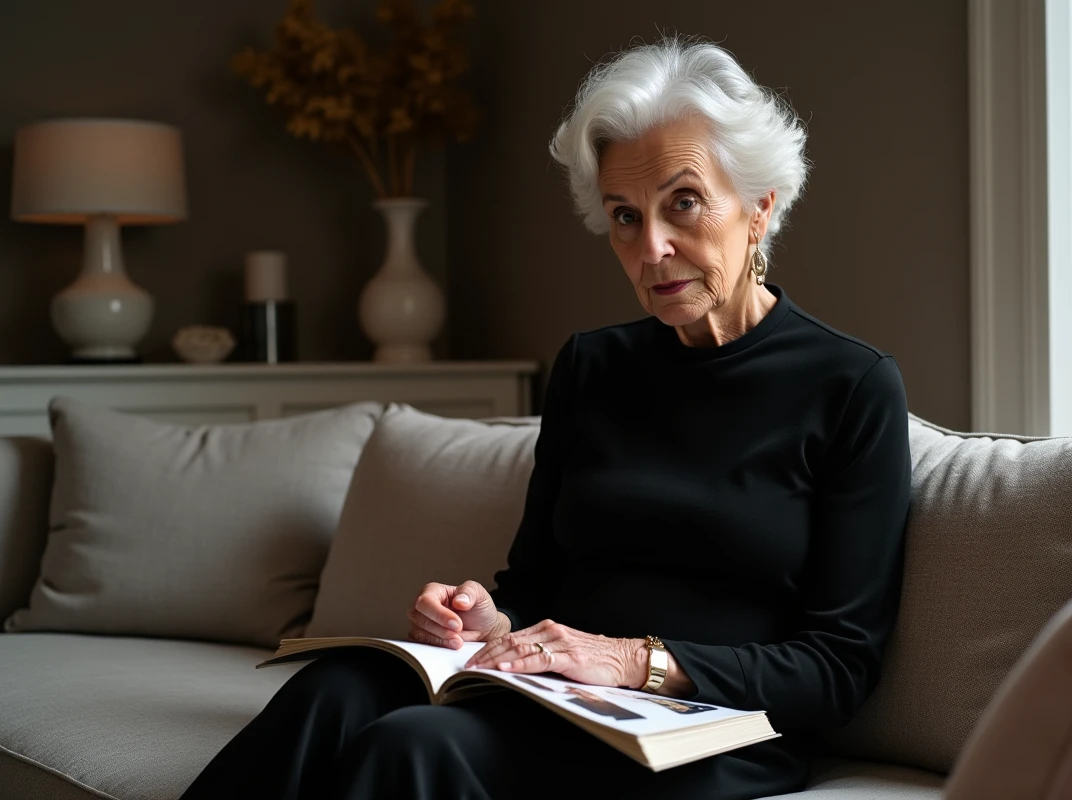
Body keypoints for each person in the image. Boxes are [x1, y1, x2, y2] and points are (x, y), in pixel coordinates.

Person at [182, 34, 911, 800]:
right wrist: (482, 620)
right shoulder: (592, 368)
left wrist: (630, 660)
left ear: (760, 206)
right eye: (624, 216)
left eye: (684, 202)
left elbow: (839, 667)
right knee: (339, 687)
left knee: (416, 746)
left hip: (700, 732)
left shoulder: (850, 385)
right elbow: (533, 584)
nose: (651, 248)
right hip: (558, 694)